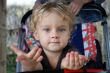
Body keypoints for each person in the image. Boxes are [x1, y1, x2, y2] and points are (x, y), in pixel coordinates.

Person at [10, 2, 89, 72]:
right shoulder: (36, 55)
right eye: (47, 29)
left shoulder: (71, 53)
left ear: (69, 34)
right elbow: (37, 66)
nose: (54, 35)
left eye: (61, 30)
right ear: (36, 35)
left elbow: (80, 64)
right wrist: (30, 67)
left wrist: (75, 65)